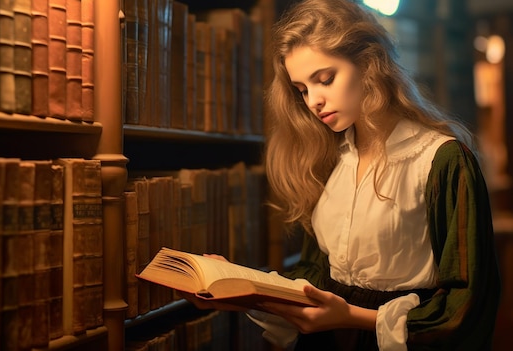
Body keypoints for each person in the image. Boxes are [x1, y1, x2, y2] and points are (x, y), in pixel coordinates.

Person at [181, 0, 502, 350]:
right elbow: (315, 277)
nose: (314, 101)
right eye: (302, 89)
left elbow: (469, 303)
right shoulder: (332, 161)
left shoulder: (441, 160)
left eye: (325, 79)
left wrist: (350, 316)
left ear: (368, 65)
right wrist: (240, 288)